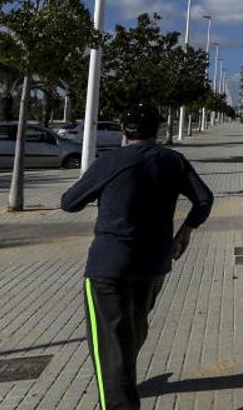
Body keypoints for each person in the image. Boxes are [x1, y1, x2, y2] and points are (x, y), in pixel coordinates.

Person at [61, 104, 213, 410]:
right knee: (132, 332)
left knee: (110, 348)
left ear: (122, 129)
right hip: (154, 265)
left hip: (108, 268)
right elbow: (204, 199)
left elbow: (70, 202)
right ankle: (125, 383)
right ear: (157, 129)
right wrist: (186, 230)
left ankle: (120, 399)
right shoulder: (173, 160)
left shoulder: (112, 160)